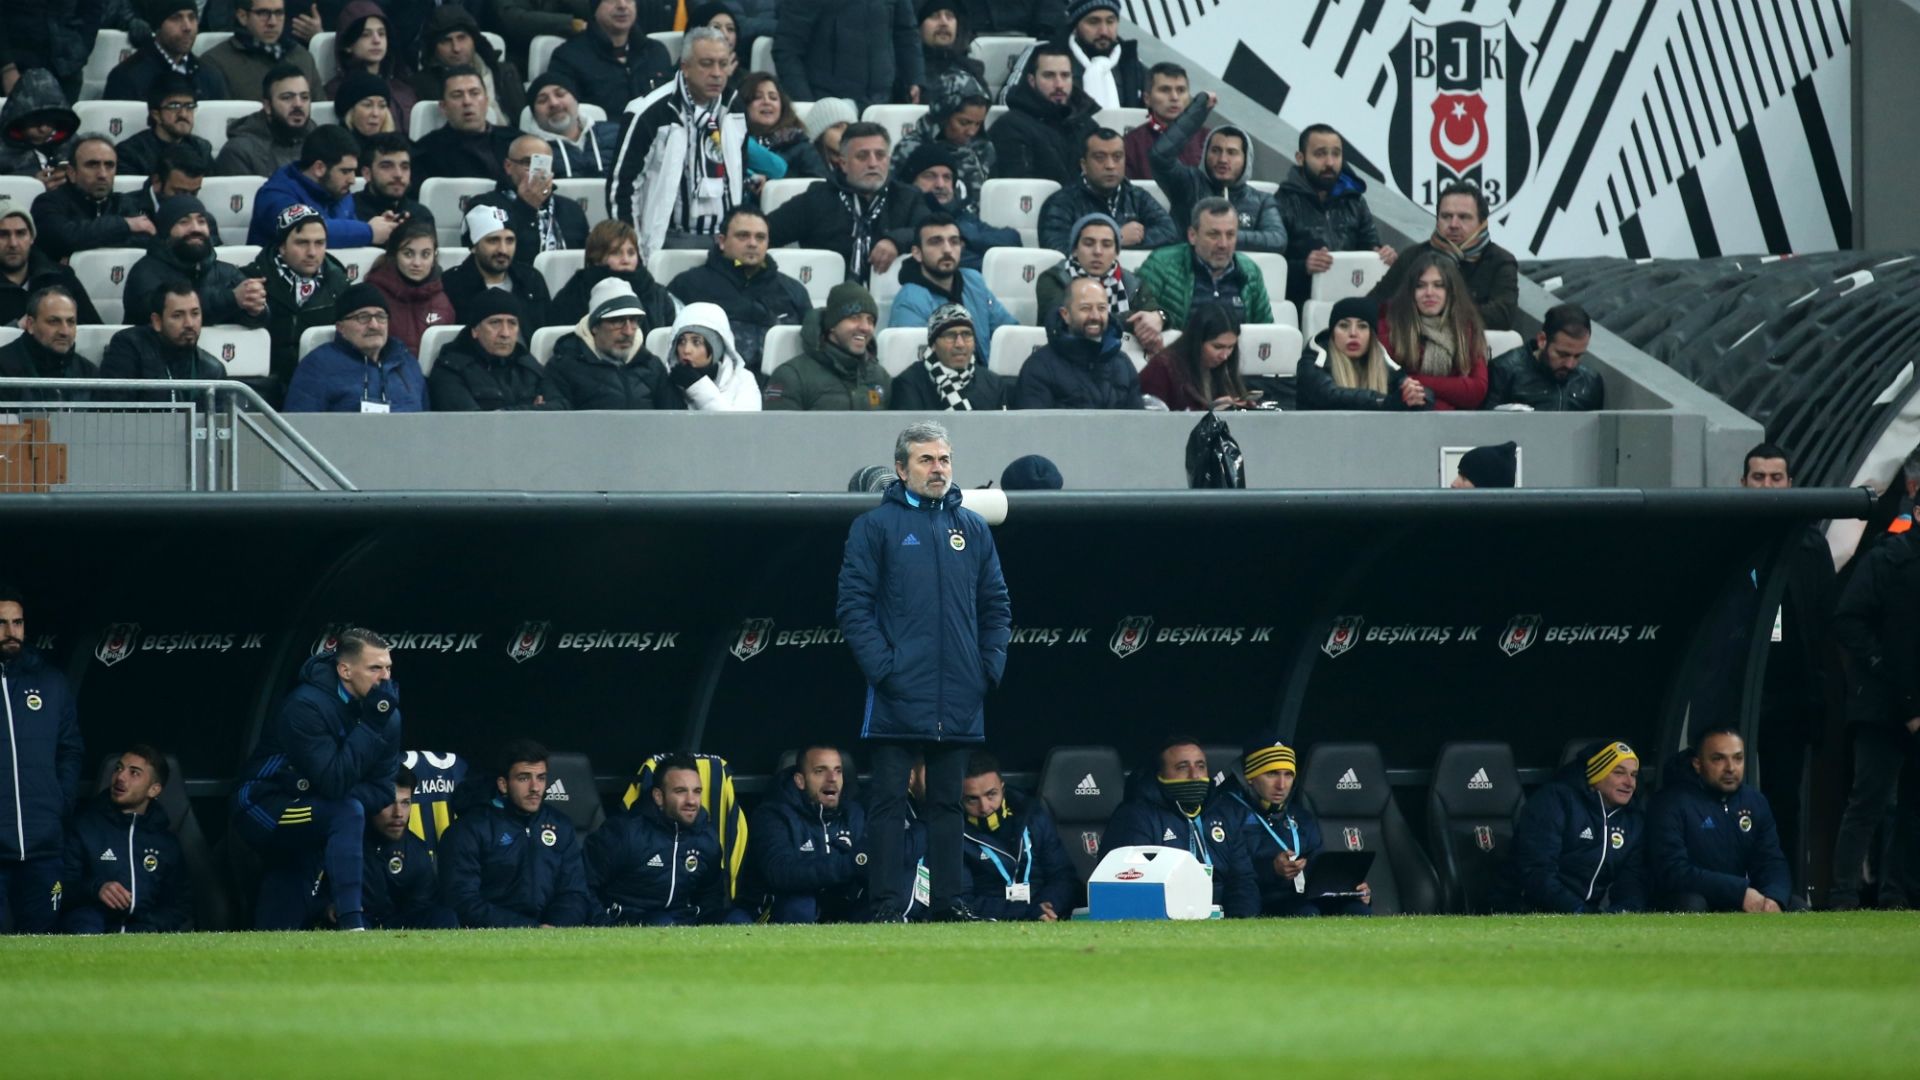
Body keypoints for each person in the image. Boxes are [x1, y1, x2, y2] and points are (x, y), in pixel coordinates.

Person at [836, 420, 1012, 921]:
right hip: (897, 690)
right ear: (900, 468)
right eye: (926, 460)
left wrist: (986, 669)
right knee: (888, 804)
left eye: (944, 460)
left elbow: (996, 606)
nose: (938, 469)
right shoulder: (874, 527)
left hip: (959, 689)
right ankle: (888, 907)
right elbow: (853, 607)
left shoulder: (972, 528)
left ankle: (950, 905)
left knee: (948, 806)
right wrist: (884, 669)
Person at [231, 628, 402, 931]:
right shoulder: (306, 705)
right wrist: (373, 725)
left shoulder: (386, 714)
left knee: (285, 900)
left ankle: (268, 952)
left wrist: (329, 791)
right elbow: (334, 781)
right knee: (346, 811)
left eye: (388, 667)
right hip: (265, 804)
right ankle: (353, 924)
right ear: (345, 670)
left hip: (317, 808)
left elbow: (383, 790)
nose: (385, 678)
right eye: (375, 668)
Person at [1737, 443, 1837, 896]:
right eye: (1759, 477)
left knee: (1783, 796)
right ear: (1743, 483)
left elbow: (1825, 623)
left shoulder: (1810, 545)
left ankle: (1785, 889)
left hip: (1791, 695)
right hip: (1736, 689)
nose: (1768, 486)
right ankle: (1734, 887)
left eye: (1776, 477)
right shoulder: (1726, 540)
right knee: (1728, 790)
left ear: (1791, 483)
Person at [1829, 510, 1920, 910]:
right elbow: (1848, 620)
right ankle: (1844, 894)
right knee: (1870, 800)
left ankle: (1896, 892)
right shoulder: (1885, 559)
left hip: (1895, 700)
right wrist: (1882, 666)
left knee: (1909, 807)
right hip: (1882, 705)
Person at [608, 27, 747, 263]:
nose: (716, 73)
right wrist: (631, 253)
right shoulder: (648, 112)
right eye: (706, 63)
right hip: (665, 240)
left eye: (723, 64)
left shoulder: (733, 107)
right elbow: (622, 188)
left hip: (723, 241)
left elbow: (738, 177)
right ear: (684, 66)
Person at [0, 583, 84, 934]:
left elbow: (70, 749)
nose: (10, 633)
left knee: (41, 940)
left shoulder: (50, 683)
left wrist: (59, 801)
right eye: (2, 623)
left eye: (17, 623)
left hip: (43, 844)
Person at [439, 740, 595, 928]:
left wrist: (556, 927)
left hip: (552, 935)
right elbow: (462, 901)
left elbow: (574, 893)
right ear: (503, 784)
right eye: (524, 778)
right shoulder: (469, 830)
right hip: (491, 938)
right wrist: (529, 928)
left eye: (541, 778)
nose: (535, 787)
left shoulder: (560, 826)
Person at [1104, 738, 1261, 918]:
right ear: (1159, 775)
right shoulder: (1135, 816)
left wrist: (1238, 925)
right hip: (1163, 921)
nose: (1194, 775)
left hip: (1220, 923)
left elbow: (1242, 881)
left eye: (1200, 766)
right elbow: (1133, 884)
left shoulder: (1223, 813)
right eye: (1182, 767)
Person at [587, 753, 749, 926]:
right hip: (629, 918)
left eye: (697, 791)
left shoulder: (706, 836)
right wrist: (603, 923)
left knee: (738, 919)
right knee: (661, 923)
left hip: (682, 920)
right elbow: (585, 884)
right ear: (658, 796)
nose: (691, 801)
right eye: (680, 791)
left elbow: (711, 895)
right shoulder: (624, 832)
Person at [1647, 728, 1796, 913]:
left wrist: (1774, 897)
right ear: (1697, 764)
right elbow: (1673, 872)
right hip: (1691, 897)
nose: (1731, 768)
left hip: (1740, 897)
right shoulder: (1671, 802)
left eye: (1738, 758)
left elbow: (1771, 860)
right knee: (1692, 904)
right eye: (1718, 759)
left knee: (1796, 906)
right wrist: (1739, 892)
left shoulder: (1755, 801)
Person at [765, 121, 929, 285]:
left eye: (880, 155)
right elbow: (765, 233)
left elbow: (936, 233)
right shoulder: (817, 199)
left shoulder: (907, 197)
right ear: (843, 164)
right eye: (862, 156)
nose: (873, 163)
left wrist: (896, 240)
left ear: (888, 160)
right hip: (826, 301)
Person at [1219, 742, 1372, 917]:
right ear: (1250, 777)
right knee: (1306, 912)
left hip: (1305, 899)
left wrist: (1350, 889)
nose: (1281, 785)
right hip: (1262, 902)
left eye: (1288, 775)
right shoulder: (1228, 814)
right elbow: (1231, 875)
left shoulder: (1301, 817)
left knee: (1357, 909)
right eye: (1272, 774)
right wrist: (1272, 870)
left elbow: (1318, 871)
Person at [1504, 740, 1648, 913]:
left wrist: (1624, 911)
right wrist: (1579, 910)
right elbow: (1536, 871)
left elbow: (1631, 880)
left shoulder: (1632, 820)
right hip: (1529, 909)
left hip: (1585, 915)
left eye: (1633, 775)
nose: (1629, 783)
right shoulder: (1555, 801)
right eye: (1619, 773)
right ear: (1596, 775)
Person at [60, 745, 192, 935]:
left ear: (154, 790)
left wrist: (149, 927)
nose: (121, 777)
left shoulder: (166, 843)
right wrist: (96, 888)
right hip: (90, 930)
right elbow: (60, 887)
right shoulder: (84, 826)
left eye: (134, 773)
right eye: (118, 768)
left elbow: (179, 906)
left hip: (143, 936)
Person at [666, 206, 810, 375]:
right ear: (721, 241)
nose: (752, 243)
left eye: (760, 237)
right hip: (712, 385)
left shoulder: (792, 290)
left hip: (780, 386)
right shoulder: (688, 285)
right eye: (743, 236)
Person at [1370, 181, 1518, 331]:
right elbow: (1373, 304)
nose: (1453, 224)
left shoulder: (1500, 260)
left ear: (1482, 222)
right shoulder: (1413, 256)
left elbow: (1502, 316)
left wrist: (1435, 312)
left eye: (1464, 217)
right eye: (1446, 216)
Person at [749, 745, 872, 924]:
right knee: (800, 904)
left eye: (838, 771)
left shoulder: (854, 813)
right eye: (820, 771)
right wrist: (849, 863)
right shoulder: (773, 815)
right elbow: (780, 871)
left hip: (840, 907)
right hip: (782, 909)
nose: (832, 779)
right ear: (800, 780)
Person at [1149, 93, 1286, 254]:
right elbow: (1159, 156)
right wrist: (1197, 111)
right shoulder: (1187, 183)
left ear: (1246, 159)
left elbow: (1277, 240)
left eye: (1232, 152)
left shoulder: (1262, 201)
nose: (1223, 159)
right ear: (1205, 154)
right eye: (1215, 150)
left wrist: (1217, 234)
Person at [1276, 123, 1396, 306]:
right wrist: (1304, 267)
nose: (1330, 163)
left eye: (1336, 154)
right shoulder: (1282, 201)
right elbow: (1272, 269)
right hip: (1301, 304)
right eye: (1320, 154)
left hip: (1353, 304)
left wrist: (1384, 256)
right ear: (1300, 158)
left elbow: (1371, 248)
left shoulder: (1355, 201)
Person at [244, 203, 351, 389]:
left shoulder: (341, 286)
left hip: (322, 383)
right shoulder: (248, 281)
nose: (312, 253)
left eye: (319, 243)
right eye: (302, 243)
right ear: (282, 246)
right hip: (265, 386)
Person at [958, 752, 1073, 920]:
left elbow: (1063, 876)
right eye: (972, 799)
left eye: (991, 794)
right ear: (960, 799)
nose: (984, 807)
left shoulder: (1032, 815)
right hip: (992, 921)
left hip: (1044, 911)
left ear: (1003, 789)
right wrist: (1027, 913)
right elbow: (964, 901)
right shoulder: (954, 833)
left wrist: (1047, 906)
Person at [886, 214, 1017, 360]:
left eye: (954, 242)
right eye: (936, 242)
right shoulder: (910, 300)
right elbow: (914, 363)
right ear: (917, 253)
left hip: (984, 377)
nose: (947, 250)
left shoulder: (974, 280)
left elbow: (1009, 331)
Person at [248, 125, 400, 249]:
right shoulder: (274, 195)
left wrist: (385, 227)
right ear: (319, 168)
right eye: (345, 171)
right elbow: (308, 231)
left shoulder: (341, 193)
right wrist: (369, 231)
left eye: (353, 171)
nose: (353, 180)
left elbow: (346, 239)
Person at [285, 281, 427, 412]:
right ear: (340, 327)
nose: (374, 325)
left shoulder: (406, 363)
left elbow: (428, 423)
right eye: (363, 317)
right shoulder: (318, 366)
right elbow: (300, 427)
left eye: (381, 316)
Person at [1035, 214, 1165, 354]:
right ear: (1074, 249)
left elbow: (1155, 311)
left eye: (1106, 244)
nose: (1097, 252)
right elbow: (1065, 320)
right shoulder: (1054, 278)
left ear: (1116, 252)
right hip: (1063, 355)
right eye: (1089, 243)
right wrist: (1135, 321)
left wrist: (1160, 317)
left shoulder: (1131, 282)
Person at [1136, 197, 1275, 328]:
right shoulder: (1161, 264)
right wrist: (1161, 316)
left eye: (1230, 235)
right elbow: (1135, 312)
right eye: (1214, 235)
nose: (1223, 244)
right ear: (1192, 235)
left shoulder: (1250, 271)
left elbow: (1265, 332)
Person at [1378, 250, 1489, 411]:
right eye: (1421, 286)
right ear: (1411, 292)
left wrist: (1416, 380)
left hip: (1457, 427)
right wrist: (1447, 401)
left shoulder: (1466, 329)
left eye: (1439, 285)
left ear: (1451, 291)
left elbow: (1476, 390)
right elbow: (1387, 386)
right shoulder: (1390, 328)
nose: (1429, 293)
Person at [1039, 126, 1178, 253]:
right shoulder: (1062, 202)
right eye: (1100, 158)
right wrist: (1117, 237)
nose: (1110, 165)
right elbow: (1055, 246)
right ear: (1084, 165)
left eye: (1117, 157)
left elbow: (1169, 232)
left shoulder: (1137, 196)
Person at [1015, 275, 1142, 409]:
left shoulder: (1123, 364)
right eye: (1085, 308)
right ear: (1065, 314)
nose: (1095, 316)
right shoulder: (1038, 367)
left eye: (1101, 308)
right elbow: (1033, 427)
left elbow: (1139, 424)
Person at [542, 279, 670, 410]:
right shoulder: (563, 368)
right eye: (618, 321)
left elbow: (674, 420)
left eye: (633, 321)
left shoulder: (652, 366)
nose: (628, 331)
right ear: (595, 327)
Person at [776, 0, 923, 113]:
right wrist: (807, 105)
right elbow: (787, 50)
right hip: (827, 105)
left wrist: (913, 79)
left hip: (882, 102)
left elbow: (906, 34)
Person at [763, 283, 890, 410]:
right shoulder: (791, 377)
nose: (865, 327)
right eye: (854, 317)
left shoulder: (880, 376)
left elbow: (900, 427)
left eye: (870, 320)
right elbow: (778, 429)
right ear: (832, 324)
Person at [465, 133, 590, 262]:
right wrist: (526, 207)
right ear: (508, 166)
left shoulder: (571, 210)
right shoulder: (485, 206)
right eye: (527, 163)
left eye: (543, 164)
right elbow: (497, 259)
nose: (535, 171)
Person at [29, 136, 153, 263]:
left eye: (109, 165)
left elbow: (146, 241)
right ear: (71, 173)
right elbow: (64, 237)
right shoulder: (47, 203)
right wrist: (125, 225)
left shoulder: (124, 203)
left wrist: (76, 255)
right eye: (92, 165)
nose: (102, 174)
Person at [361, 768, 457, 930]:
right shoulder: (346, 842)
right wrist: (327, 906)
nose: (398, 813)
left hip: (396, 928)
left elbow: (420, 908)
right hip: (358, 923)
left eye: (405, 803)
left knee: (444, 917)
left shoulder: (417, 850)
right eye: (388, 803)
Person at [989, 44, 1098, 186]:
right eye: (1049, 75)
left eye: (1065, 75)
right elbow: (1021, 191)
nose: (1059, 84)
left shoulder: (1087, 125)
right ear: (1031, 81)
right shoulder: (1010, 127)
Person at [100, 283, 230, 401]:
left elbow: (218, 422)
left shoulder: (213, 370)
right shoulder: (129, 347)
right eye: (177, 315)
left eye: (195, 314)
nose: (189, 324)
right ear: (157, 321)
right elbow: (114, 413)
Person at [900, 141, 1017, 271]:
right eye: (929, 176)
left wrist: (964, 234)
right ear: (911, 182)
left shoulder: (960, 214)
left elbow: (1012, 239)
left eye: (947, 177)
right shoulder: (904, 216)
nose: (940, 184)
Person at [549, 0, 677, 119]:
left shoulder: (655, 51)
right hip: (600, 139)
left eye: (629, 0)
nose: (622, 5)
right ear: (595, 7)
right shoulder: (569, 56)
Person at [1297, 295, 1427, 411]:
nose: (1353, 333)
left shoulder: (1385, 364)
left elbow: (1425, 397)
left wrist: (1414, 396)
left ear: (1372, 335)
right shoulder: (1312, 362)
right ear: (1333, 333)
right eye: (1343, 325)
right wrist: (1385, 402)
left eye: (1362, 326)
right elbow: (1329, 396)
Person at [409, 6, 529, 132]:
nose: (456, 48)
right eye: (446, 41)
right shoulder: (422, 83)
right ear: (434, 48)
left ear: (474, 40)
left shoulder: (505, 72)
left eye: (462, 38)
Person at [443, 205, 552, 340]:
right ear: (473, 246)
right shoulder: (451, 284)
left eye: (510, 240)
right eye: (493, 240)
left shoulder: (531, 279)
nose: (503, 250)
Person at [547, 219, 674, 333]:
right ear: (597, 257)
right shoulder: (575, 293)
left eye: (631, 253)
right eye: (616, 253)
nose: (625, 259)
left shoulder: (656, 293)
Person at [428, 291, 550, 411]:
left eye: (512, 323)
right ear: (475, 330)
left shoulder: (527, 365)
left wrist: (503, 413)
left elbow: (559, 405)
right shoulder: (450, 369)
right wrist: (532, 411)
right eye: (495, 323)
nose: (505, 333)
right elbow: (473, 423)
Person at [409, 67, 522, 192]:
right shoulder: (426, 153)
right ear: (443, 107)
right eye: (457, 95)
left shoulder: (516, 141)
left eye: (474, 93)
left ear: (486, 101)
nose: (467, 102)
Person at [1484, 302, 1605, 411]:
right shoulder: (1504, 371)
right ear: (1542, 340)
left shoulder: (1590, 381)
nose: (1570, 364)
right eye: (1562, 354)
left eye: (1578, 356)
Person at [200, 0, 322, 108]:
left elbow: (319, 113)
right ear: (242, 16)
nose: (272, 22)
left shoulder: (302, 56)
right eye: (263, 13)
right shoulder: (215, 62)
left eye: (279, 13)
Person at [104, 1, 230, 103]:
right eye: (176, 18)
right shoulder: (126, 77)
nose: (187, 27)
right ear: (158, 25)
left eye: (192, 18)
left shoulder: (211, 76)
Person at [890, 302, 1008, 410]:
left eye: (966, 334)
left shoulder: (994, 384)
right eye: (950, 335)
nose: (960, 344)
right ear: (934, 344)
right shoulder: (909, 384)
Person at [1140, 302, 1257, 411]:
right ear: (1197, 342)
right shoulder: (1162, 368)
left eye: (1231, 347)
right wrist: (1211, 411)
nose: (1225, 356)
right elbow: (1154, 421)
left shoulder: (1224, 370)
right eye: (1217, 347)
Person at [894, 95, 996, 216]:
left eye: (978, 124)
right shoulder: (910, 149)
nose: (971, 132)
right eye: (964, 123)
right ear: (944, 117)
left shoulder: (982, 148)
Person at [327, 3, 419, 137]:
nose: (376, 41)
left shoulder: (404, 90)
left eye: (382, 34)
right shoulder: (335, 91)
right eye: (365, 35)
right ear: (347, 45)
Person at [0, 208, 103, 328]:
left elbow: (93, 330)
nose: (13, 243)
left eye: (21, 233)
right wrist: (16, 329)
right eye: (3, 234)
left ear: (32, 238)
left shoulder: (61, 277)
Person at [366, 220, 455, 356]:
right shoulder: (372, 295)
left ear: (434, 256)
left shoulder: (442, 300)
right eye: (408, 254)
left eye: (425, 254)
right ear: (394, 255)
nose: (417, 263)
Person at [214, 66, 318, 179]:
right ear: (267, 106)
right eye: (287, 98)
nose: (298, 104)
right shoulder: (239, 152)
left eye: (305, 97)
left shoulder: (320, 142)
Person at [660, 301, 763, 410]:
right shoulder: (663, 380)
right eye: (681, 342)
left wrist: (696, 387)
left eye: (696, 342)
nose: (686, 350)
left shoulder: (742, 380)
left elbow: (742, 426)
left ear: (716, 348)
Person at [0, 287, 96, 402]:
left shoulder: (88, 372)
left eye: (70, 322)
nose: (64, 332)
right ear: (30, 325)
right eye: (53, 321)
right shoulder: (4, 367)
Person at [114, 75, 214, 180]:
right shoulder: (130, 153)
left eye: (189, 106)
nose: (183, 114)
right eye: (174, 106)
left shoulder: (202, 149)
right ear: (156, 114)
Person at [527, 73, 621, 180]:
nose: (554, 103)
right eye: (542, 100)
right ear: (534, 115)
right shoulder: (529, 150)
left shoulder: (616, 134)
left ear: (576, 100)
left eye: (560, 94)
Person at [741, 73, 829, 181]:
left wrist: (772, 185)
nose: (766, 102)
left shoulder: (801, 147)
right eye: (757, 97)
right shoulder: (733, 139)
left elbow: (818, 187)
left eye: (773, 98)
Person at [1125, 63, 1204, 181]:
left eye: (1181, 90)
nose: (1174, 97)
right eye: (1165, 90)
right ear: (1147, 99)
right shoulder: (1130, 143)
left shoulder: (1207, 139)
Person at [0, 69, 80, 185]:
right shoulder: (2, 151)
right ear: (18, 119)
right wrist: (31, 185)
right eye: (35, 123)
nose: (43, 129)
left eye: (50, 122)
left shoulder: (74, 145)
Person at [1059, 0, 1143, 109]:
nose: (1103, 31)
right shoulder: (1055, 63)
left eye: (1110, 21)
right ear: (1075, 26)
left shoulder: (1132, 65)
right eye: (1093, 22)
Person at [354, 134, 434, 231]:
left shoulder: (421, 215)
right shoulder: (349, 212)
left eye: (404, 167)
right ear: (367, 173)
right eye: (387, 166)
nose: (398, 174)